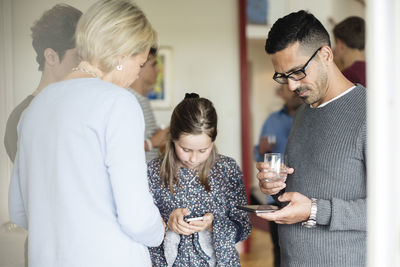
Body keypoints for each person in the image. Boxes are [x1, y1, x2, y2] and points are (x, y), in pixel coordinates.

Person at [8, 1, 165, 266]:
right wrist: (158, 229)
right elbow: (136, 217)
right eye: (139, 64)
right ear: (121, 55)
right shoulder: (118, 102)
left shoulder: (32, 111)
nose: (136, 74)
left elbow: (20, 212)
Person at [256, 10, 366, 267]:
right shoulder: (303, 112)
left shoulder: (372, 115)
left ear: (326, 54)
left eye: (298, 72)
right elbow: (304, 193)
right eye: (283, 76)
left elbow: (391, 209)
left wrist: (315, 211)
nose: (291, 86)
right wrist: (277, 186)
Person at [147, 93, 251, 266]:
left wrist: (213, 225)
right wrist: (167, 223)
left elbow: (244, 228)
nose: (193, 159)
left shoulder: (227, 169)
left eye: (203, 150)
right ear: (172, 137)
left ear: (214, 137)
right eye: (185, 149)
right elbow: (142, 228)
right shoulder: (152, 172)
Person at [4, 4, 82, 163]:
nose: (86, 64)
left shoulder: (78, 105)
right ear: (51, 57)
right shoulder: (23, 116)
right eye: (79, 56)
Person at [253, 84, 302, 267]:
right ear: (281, 94)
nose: (292, 90)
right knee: (279, 248)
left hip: (303, 194)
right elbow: (259, 156)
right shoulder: (272, 120)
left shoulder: (309, 117)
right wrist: (261, 150)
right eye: (285, 89)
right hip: (276, 195)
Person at [129, 47, 168, 162]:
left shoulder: (142, 100)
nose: (159, 70)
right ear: (140, 66)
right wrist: (153, 142)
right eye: (154, 64)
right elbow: (120, 146)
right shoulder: (128, 99)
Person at [333, 16, 366, 86]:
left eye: (335, 43)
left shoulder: (347, 77)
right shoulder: (376, 72)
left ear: (340, 44)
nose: (334, 48)